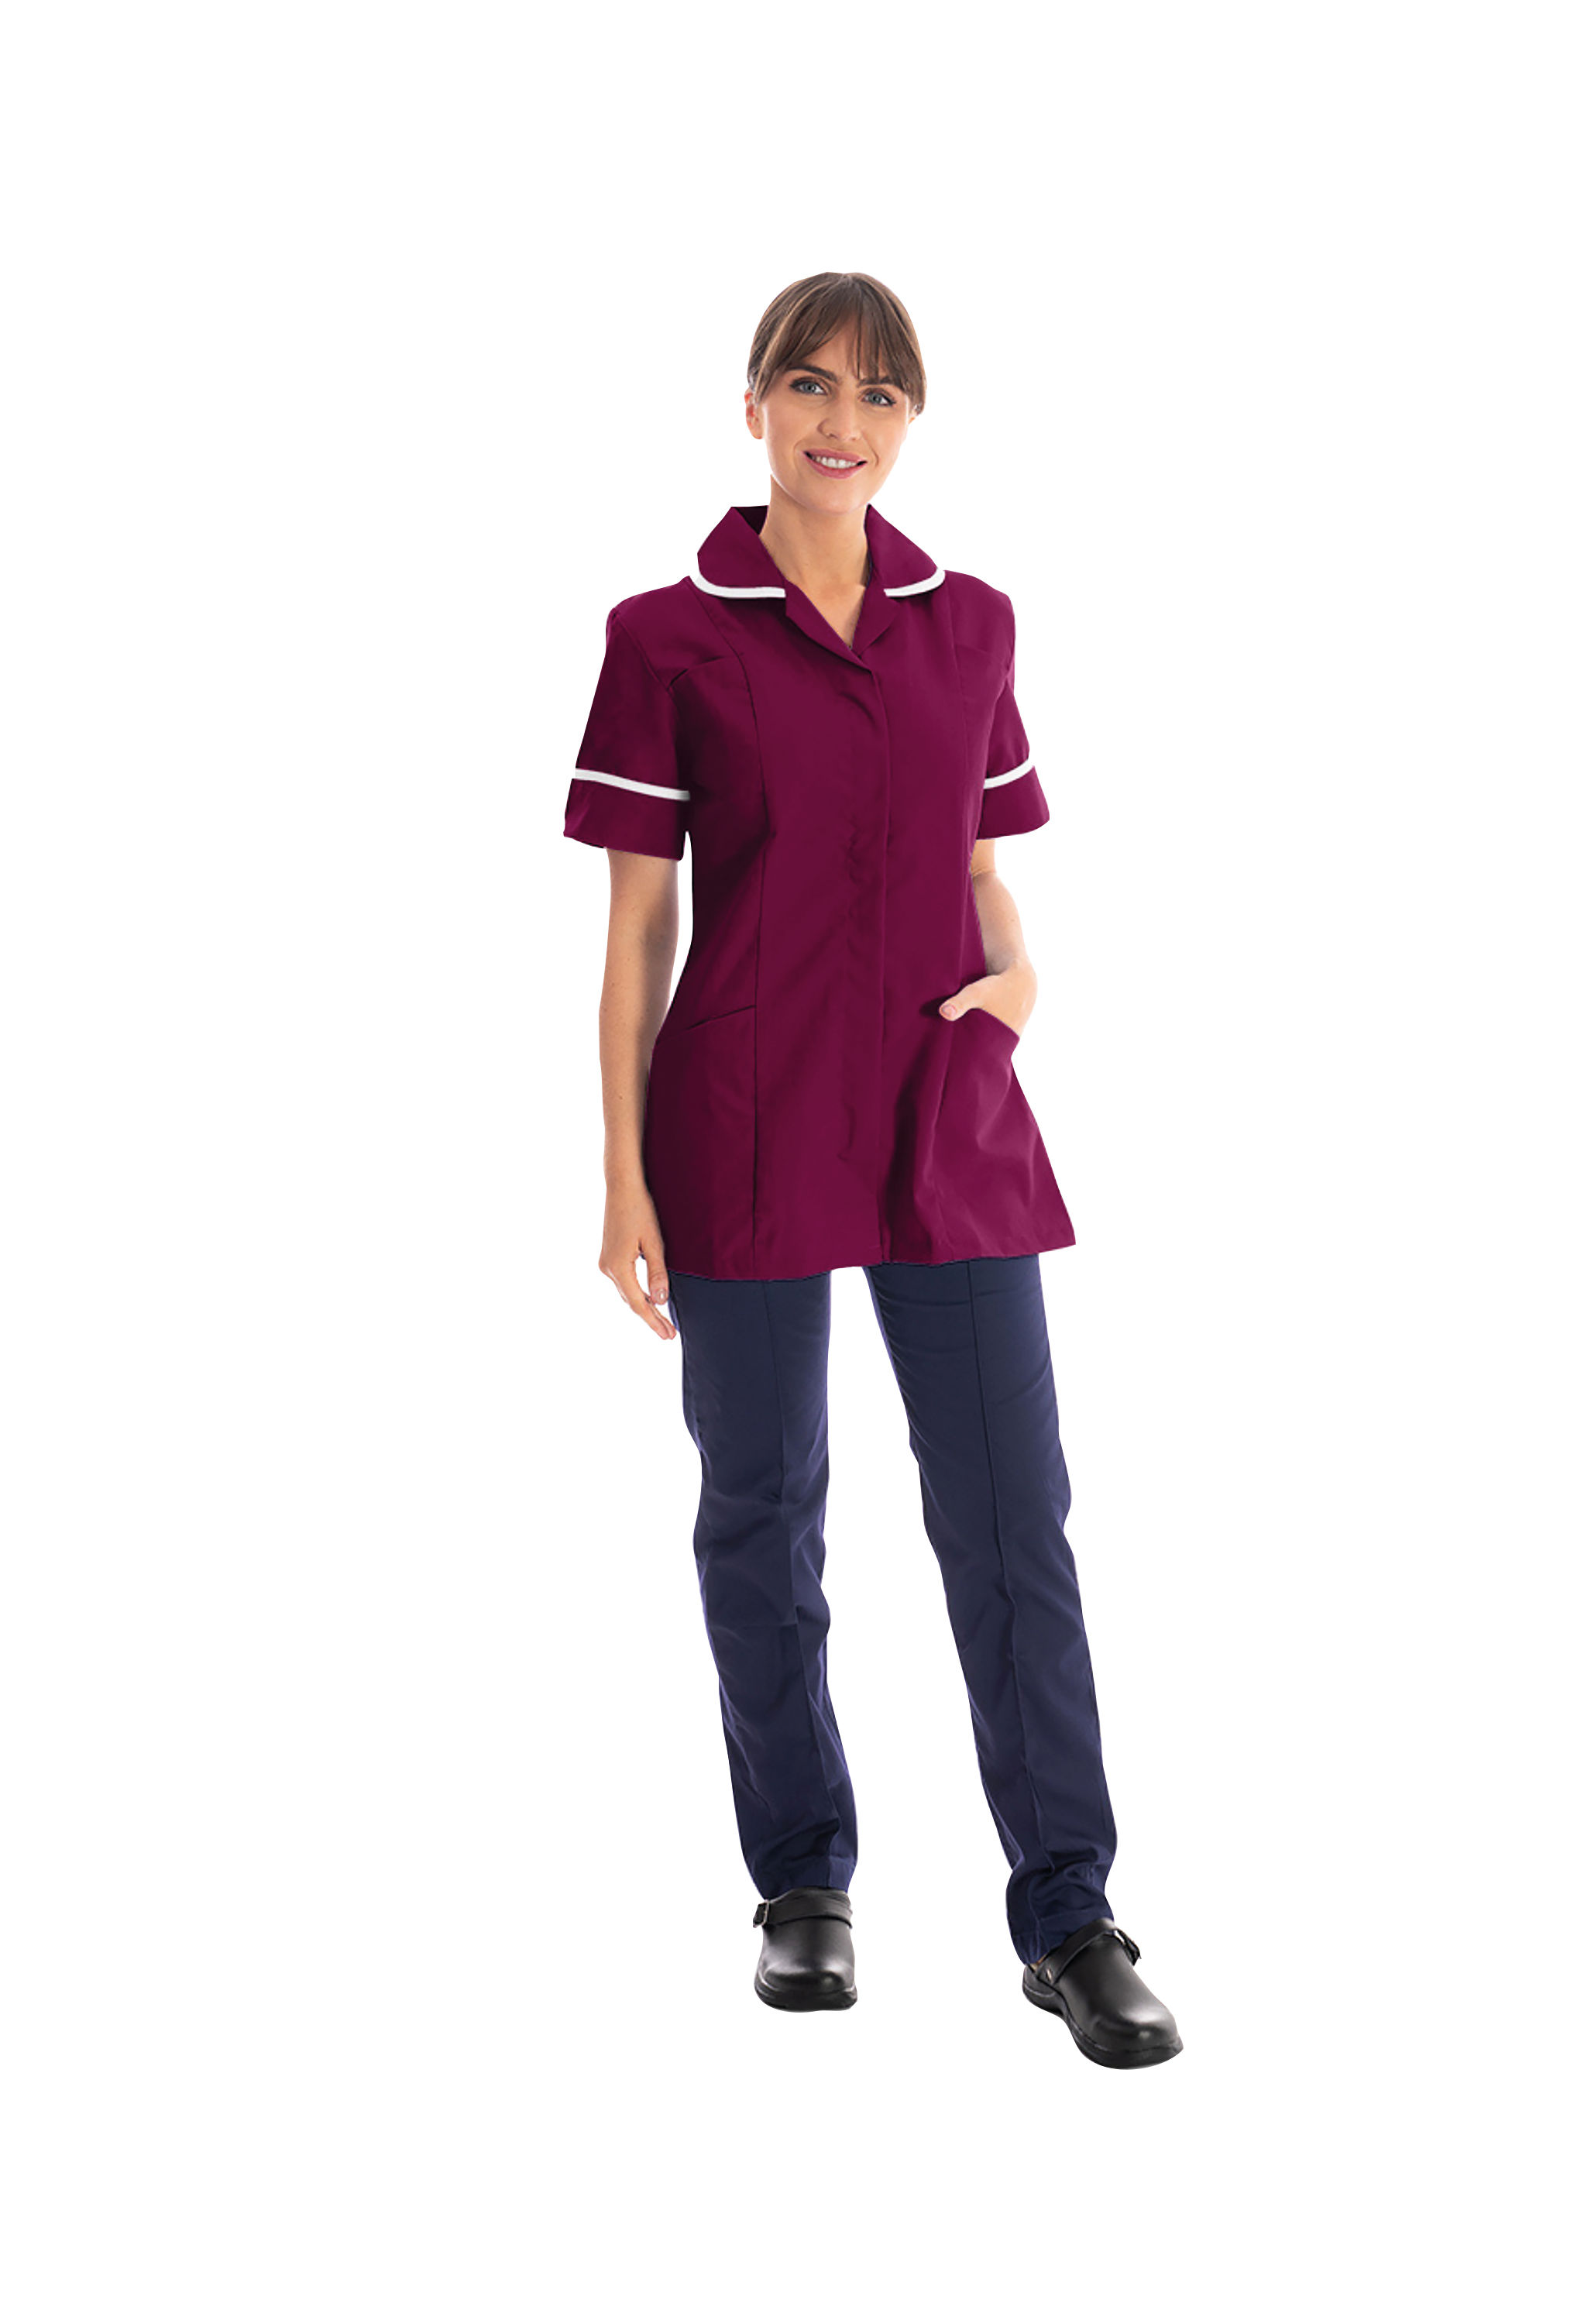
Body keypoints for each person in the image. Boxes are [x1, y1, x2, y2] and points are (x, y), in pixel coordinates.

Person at [560, 272, 1180, 2070]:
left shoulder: (970, 624)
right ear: (753, 403)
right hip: (743, 1114)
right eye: (813, 385)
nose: (846, 423)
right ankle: (802, 1885)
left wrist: (1023, 972)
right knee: (763, 1512)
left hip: (938, 1110)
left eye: (880, 395)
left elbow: (988, 867)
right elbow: (639, 930)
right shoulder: (665, 639)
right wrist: (622, 1177)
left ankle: (1069, 1915)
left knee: (1011, 1514)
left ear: (912, 422)